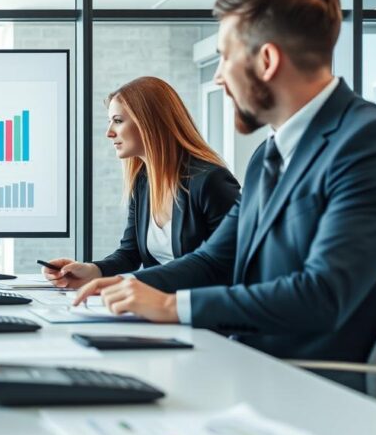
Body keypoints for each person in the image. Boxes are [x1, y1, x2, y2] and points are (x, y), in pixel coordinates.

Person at [73, 0, 376, 390]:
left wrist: (172, 305)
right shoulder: (267, 156)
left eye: (224, 56)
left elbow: (322, 294)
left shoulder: (371, 145)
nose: (218, 76)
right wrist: (123, 286)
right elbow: (214, 259)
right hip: (244, 365)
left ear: (267, 61)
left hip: (311, 387)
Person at [44, 76, 240, 288]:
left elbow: (228, 265)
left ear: (150, 122)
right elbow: (130, 254)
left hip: (197, 311)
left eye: (118, 121)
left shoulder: (211, 181)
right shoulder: (143, 182)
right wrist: (91, 270)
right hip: (156, 307)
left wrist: (129, 284)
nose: (109, 133)